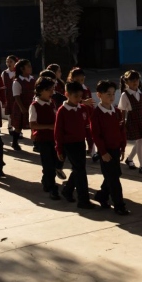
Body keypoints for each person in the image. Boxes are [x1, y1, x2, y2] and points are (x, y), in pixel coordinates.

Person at [91, 80, 130, 215]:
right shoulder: (96, 113)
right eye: (108, 94)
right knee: (114, 179)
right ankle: (119, 205)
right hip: (105, 151)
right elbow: (96, 135)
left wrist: (123, 147)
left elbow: (121, 130)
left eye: (113, 94)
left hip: (115, 149)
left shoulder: (117, 111)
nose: (111, 97)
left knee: (114, 175)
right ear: (99, 95)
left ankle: (101, 195)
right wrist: (102, 152)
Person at [56, 81, 93, 209]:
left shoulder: (83, 109)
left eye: (80, 96)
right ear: (67, 94)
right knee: (81, 171)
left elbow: (87, 126)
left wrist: (90, 142)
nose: (79, 99)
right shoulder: (62, 111)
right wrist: (59, 149)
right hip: (69, 144)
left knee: (79, 169)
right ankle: (83, 200)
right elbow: (58, 132)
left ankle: (67, 190)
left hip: (80, 143)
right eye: (75, 96)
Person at [118, 70, 142, 174]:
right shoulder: (125, 95)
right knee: (140, 141)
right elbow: (122, 110)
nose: (135, 82)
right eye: (132, 80)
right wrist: (123, 123)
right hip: (132, 119)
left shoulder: (141, 93)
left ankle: (130, 158)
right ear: (126, 82)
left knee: (140, 141)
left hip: (141, 119)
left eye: (136, 80)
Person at [30, 77, 59, 194]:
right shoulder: (35, 106)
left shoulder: (52, 103)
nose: (52, 93)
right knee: (48, 164)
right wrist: (48, 126)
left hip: (54, 138)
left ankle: (46, 181)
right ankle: (52, 187)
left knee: (55, 162)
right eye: (49, 90)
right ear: (41, 90)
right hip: (43, 139)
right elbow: (33, 124)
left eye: (53, 89)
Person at [9, 59, 35, 150]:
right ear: (22, 69)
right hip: (21, 106)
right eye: (28, 66)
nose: (30, 68)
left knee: (33, 124)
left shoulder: (32, 79)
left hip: (31, 105)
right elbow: (16, 96)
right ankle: (15, 143)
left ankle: (36, 144)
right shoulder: (17, 81)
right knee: (18, 127)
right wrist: (22, 108)